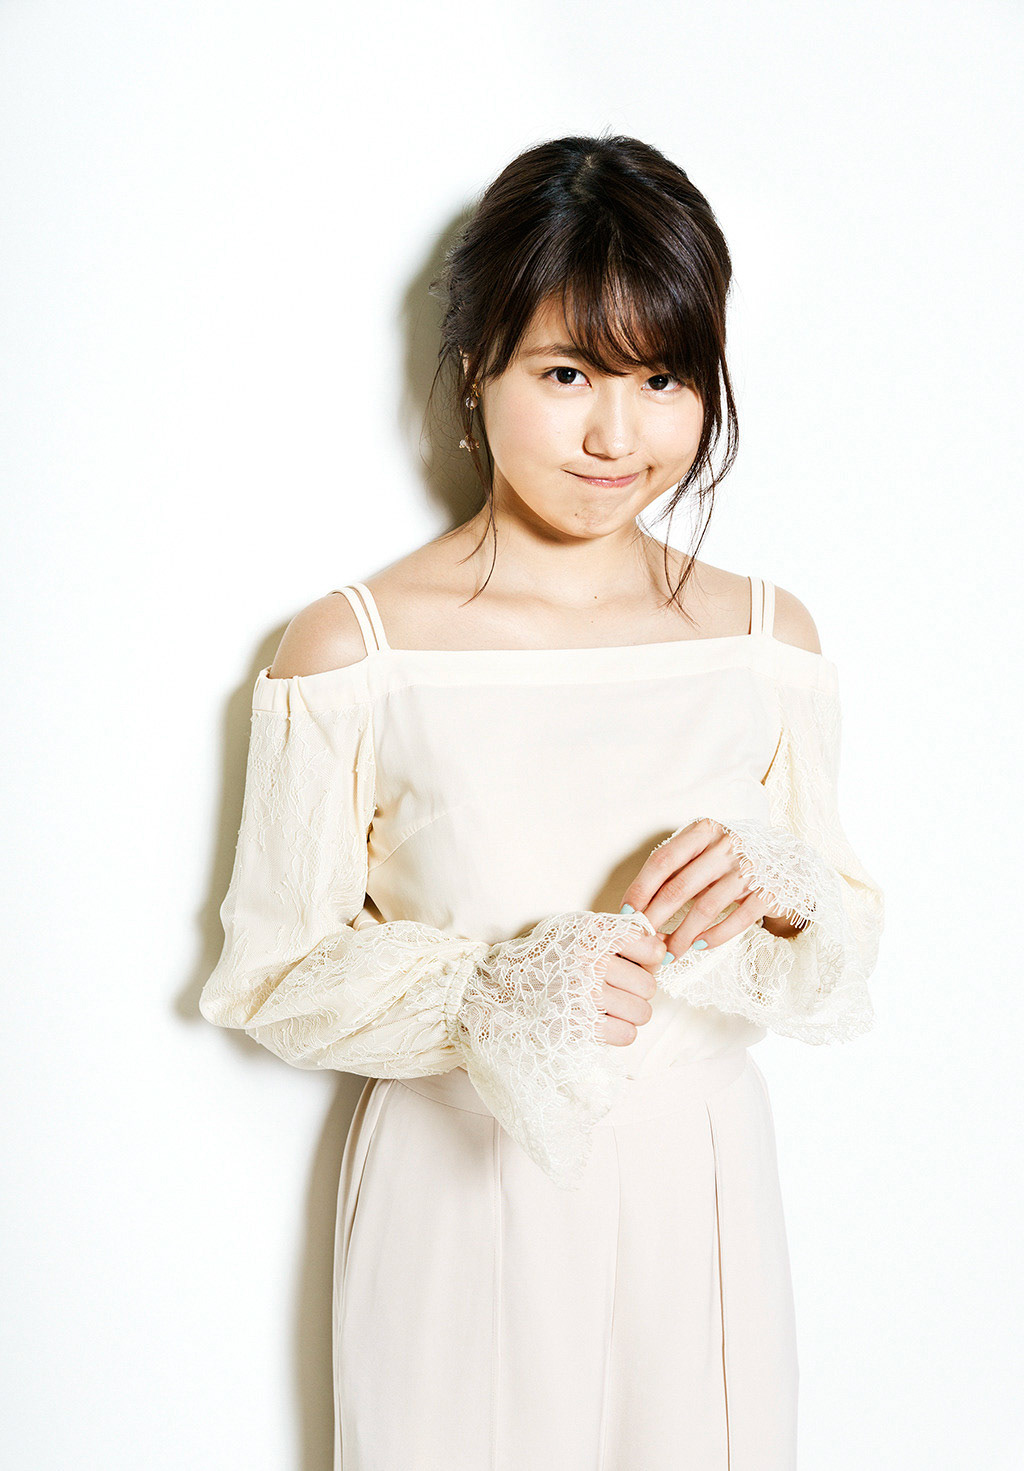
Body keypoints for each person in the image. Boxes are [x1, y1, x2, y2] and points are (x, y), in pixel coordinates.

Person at [199, 133, 885, 1471]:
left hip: (700, 1180)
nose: (617, 436)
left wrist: (782, 887)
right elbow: (270, 978)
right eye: (568, 373)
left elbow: (844, 935)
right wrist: (503, 990)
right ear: (478, 367)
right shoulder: (353, 650)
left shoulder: (767, 639)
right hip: (461, 1182)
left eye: (662, 378)